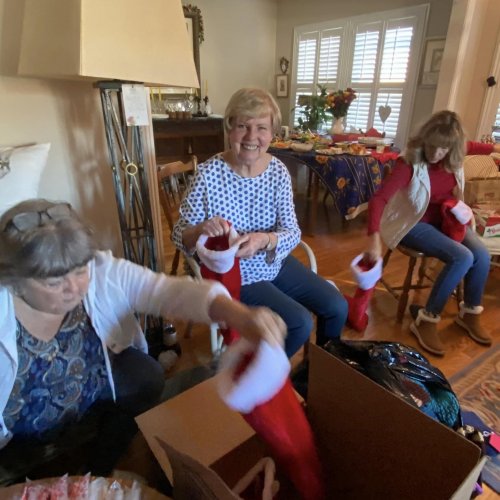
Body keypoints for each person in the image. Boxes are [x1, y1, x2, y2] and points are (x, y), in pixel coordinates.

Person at [0, 198, 286, 484]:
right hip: (17, 434)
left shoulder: (101, 271)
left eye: (79, 270)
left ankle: (98, 469)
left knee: (146, 376)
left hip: (90, 384)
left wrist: (240, 315)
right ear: (13, 281)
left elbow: (163, 290)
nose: (74, 288)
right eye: (53, 283)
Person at [172, 87, 348, 358]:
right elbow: (179, 235)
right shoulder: (207, 175)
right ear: (230, 129)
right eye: (243, 126)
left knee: (337, 306)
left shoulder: (278, 171)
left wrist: (265, 240)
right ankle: (261, 382)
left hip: (272, 260)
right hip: (233, 272)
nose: (252, 137)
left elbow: (292, 231)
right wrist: (199, 230)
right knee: (297, 323)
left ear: (272, 133)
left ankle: (316, 379)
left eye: (261, 128)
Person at [365, 110, 494, 356]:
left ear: (453, 148)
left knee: (482, 254)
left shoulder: (456, 151)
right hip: (412, 224)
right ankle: (426, 319)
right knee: (462, 256)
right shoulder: (409, 162)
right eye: (432, 146)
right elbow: (379, 199)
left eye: (443, 149)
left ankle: (469, 312)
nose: (435, 154)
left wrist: (496, 149)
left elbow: (481, 147)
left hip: (446, 219)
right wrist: (373, 238)